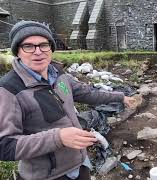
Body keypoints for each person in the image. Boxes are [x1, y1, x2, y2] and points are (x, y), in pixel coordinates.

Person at [0, 20, 136, 180]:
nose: (38, 52)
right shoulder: (9, 90)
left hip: (79, 165)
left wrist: (121, 97)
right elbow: (5, 145)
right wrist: (58, 138)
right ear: (18, 51)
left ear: (51, 48)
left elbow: (89, 93)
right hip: (48, 176)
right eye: (28, 46)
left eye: (44, 45)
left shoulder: (59, 75)